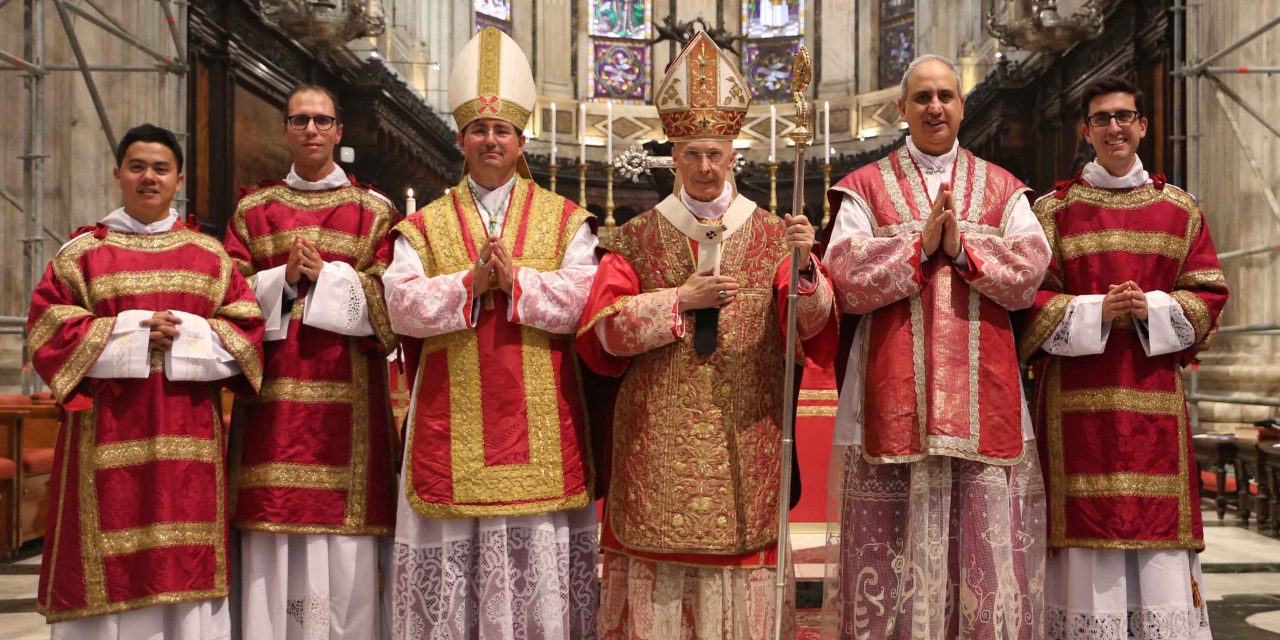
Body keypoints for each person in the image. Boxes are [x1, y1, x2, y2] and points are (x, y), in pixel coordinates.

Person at [577, 31, 837, 639]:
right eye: (691, 153)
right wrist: (677, 301)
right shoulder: (636, 237)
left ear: (732, 154)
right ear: (674, 154)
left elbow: (812, 331)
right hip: (655, 442)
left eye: (714, 153)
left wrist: (805, 275)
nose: (703, 166)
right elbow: (600, 334)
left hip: (742, 437)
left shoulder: (776, 234)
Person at [821, 54, 1051, 638]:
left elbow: (1030, 271)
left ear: (962, 106)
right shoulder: (864, 188)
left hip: (985, 395)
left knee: (979, 546)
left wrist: (965, 251)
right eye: (922, 97)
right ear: (901, 109)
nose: (934, 107)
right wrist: (918, 250)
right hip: (891, 389)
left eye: (945, 96)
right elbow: (844, 274)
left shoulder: (1003, 188)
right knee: (888, 542)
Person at [380, 27, 599, 639]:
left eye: (502, 130)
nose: (490, 140)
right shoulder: (423, 225)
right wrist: (469, 288)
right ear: (461, 139)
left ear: (520, 139)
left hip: (541, 418)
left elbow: (585, 298)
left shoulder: (564, 220)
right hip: (453, 419)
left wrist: (519, 281)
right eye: (479, 130)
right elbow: (400, 304)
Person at [29, 123, 264, 638]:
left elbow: (246, 330)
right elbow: (47, 332)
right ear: (117, 175)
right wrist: (133, 331)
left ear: (178, 178)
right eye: (137, 167)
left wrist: (186, 334)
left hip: (188, 443)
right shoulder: (82, 255)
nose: (148, 177)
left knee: (186, 572)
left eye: (160, 168)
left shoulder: (210, 257)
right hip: (105, 441)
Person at [1020, 75, 1227, 640]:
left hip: (1154, 402)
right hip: (1076, 414)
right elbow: (1026, 302)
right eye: (1102, 119)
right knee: (1087, 555)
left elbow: (1209, 292)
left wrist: (1153, 308)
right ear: (1086, 131)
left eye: (1124, 117)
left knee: (1157, 545)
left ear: (1142, 126)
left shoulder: (1178, 209)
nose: (1115, 127)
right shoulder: (1053, 211)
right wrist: (1095, 313)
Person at [223, 84, 399, 639]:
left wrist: (332, 278)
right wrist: (285, 279)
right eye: (300, 121)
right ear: (286, 130)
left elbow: (394, 301)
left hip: (348, 414)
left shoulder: (374, 211)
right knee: (276, 544)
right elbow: (224, 294)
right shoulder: (254, 211)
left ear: (339, 131)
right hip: (273, 408)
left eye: (322, 121)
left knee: (339, 553)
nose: (312, 131)